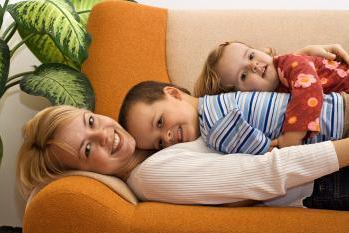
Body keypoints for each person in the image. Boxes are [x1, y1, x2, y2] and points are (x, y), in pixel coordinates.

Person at [17, 104, 349, 209]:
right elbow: (265, 174)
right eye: (88, 150)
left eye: (90, 121)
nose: (104, 134)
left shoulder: (153, 147)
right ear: (84, 172)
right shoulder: (154, 175)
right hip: (324, 180)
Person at [118, 81, 349, 154]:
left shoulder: (214, 128)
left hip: (334, 124)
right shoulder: (216, 101)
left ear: (173, 93)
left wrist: (277, 144)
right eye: (159, 143)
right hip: (336, 105)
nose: (167, 137)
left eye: (159, 122)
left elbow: (265, 152)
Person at [195, 42, 349, 148]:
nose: (253, 65)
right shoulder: (272, 96)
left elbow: (309, 92)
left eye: (250, 55)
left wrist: (292, 137)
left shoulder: (290, 62)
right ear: (244, 98)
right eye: (243, 76)